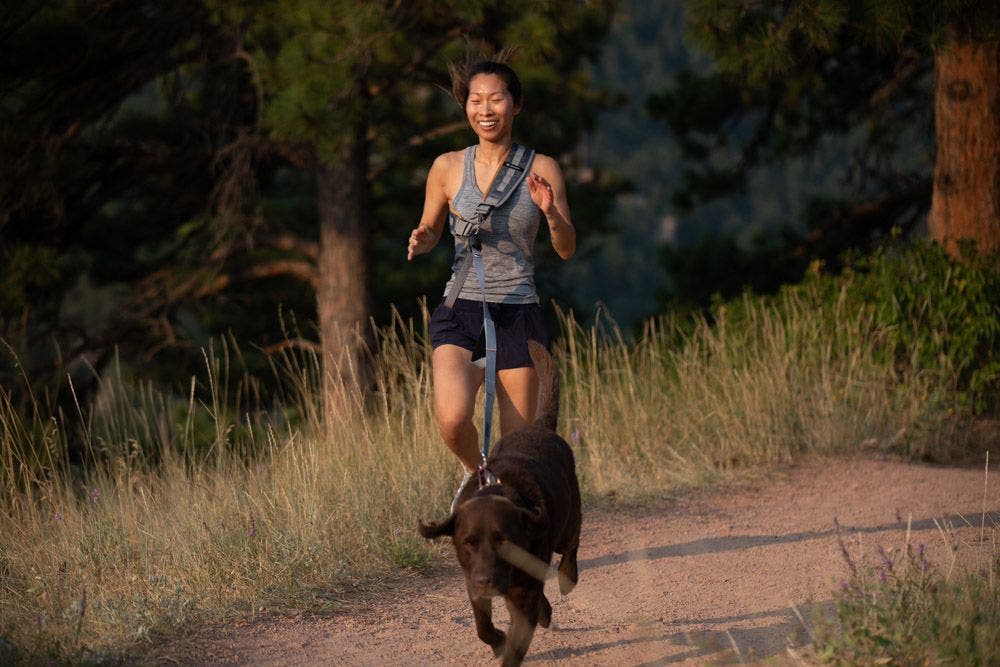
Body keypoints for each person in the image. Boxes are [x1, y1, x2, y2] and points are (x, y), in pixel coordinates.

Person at [406, 57, 575, 505]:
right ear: (466, 108)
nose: (485, 109)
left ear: (515, 105)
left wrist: (549, 211)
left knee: (518, 453)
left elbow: (565, 247)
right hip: (460, 308)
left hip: (517, 312)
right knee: (452, 419)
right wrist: (422, 240)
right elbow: (431, 229)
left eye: (496, 98)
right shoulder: (446, 167)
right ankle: (476, 474)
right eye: (475, 100)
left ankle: (513, 536)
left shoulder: (543, 168)